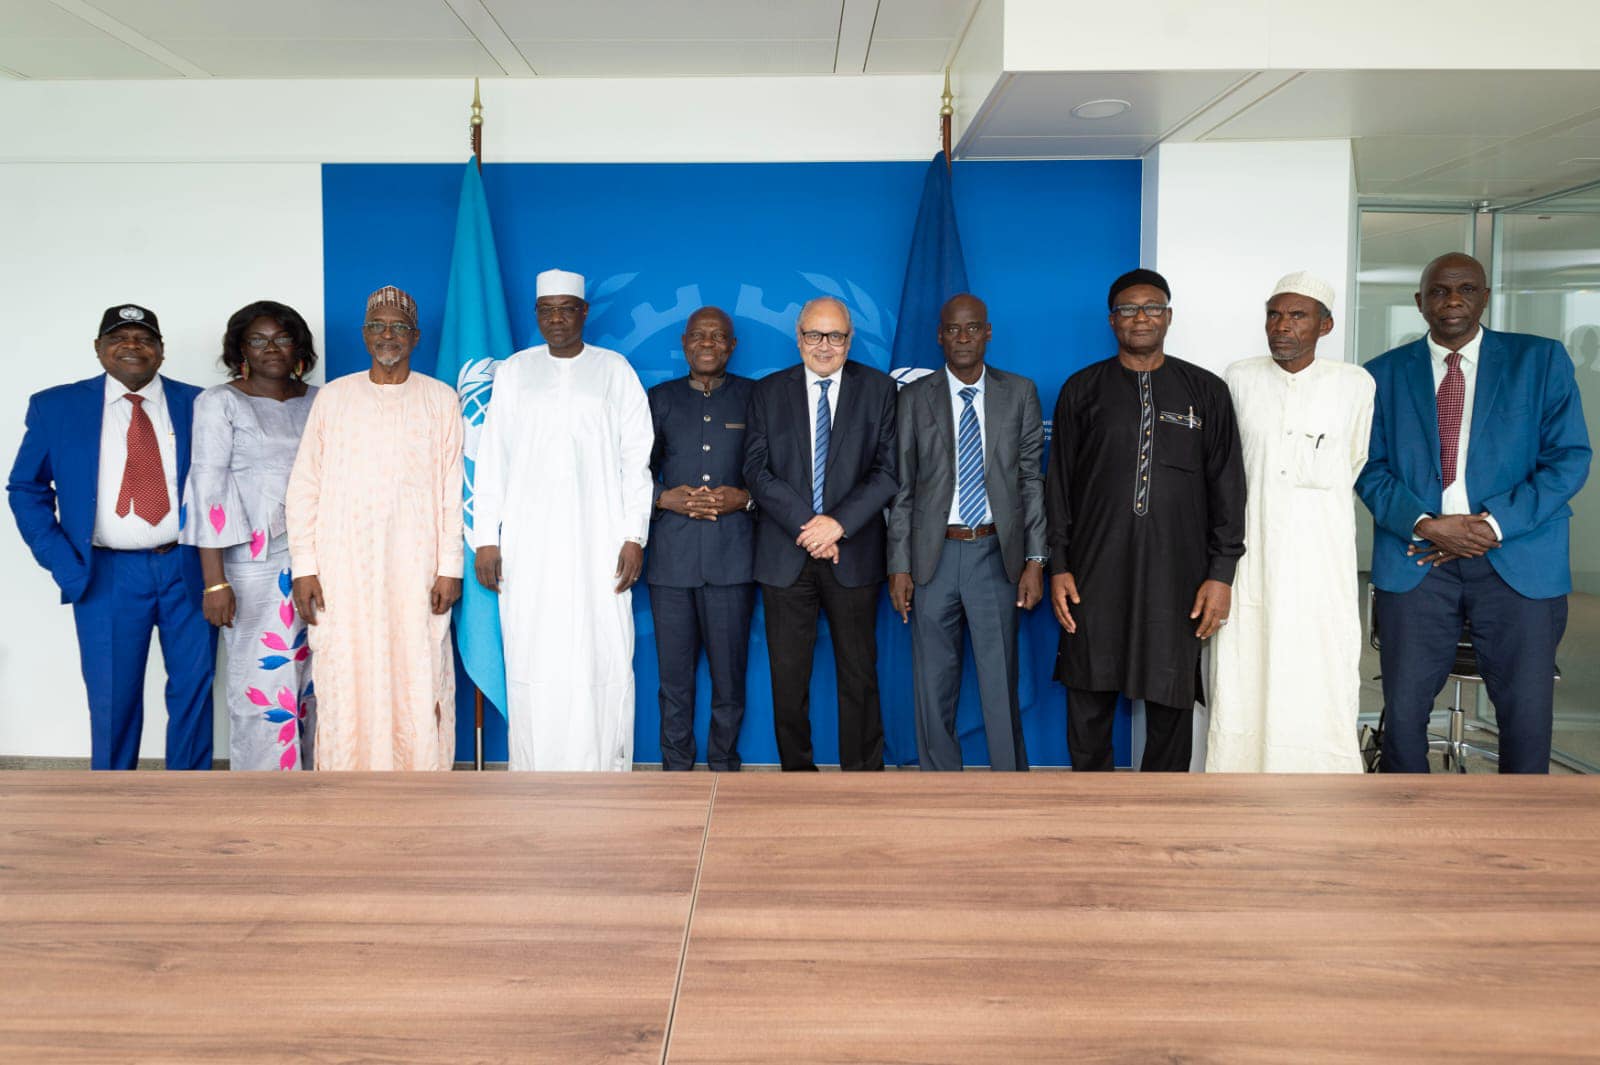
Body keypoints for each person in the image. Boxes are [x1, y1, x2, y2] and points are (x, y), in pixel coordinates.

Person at [1357, 252, 1590, 773]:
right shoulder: (1380, 375)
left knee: (1526, 713)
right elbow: (1368, 467)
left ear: (1485, 297)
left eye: (1466, 289)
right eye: (1439, 291)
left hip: (1518, 556)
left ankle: (1516, 831)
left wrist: (1492, 524)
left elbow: (1569, 458)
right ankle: (1404, 822)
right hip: (1418, 557)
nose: (1453, 300)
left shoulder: (1540, 361)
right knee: (1406, 709)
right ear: (1420, 303)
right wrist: (1426, 523)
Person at [1046, 269, 1245, 772]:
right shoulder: (1082, 389)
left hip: (1177, 575)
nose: (1141, 318)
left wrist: (1221, 575)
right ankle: (1091, 808)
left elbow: (1228, 488)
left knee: (1170, 696)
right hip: (1094, 571)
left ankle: (1164, 815)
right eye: (1129, 309)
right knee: (1088, 692)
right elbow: (1059, 487)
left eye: (1152, 308)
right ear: (1112, 320)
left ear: (1169, 317)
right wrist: (1059, 565)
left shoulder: (1206, 392)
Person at [8, 304, 215, 770]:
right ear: (98, 349)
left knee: (195, 690)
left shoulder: (201, 403)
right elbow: (25, 488)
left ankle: (191, 800)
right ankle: (112, 799)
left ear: (161, 352)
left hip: (187, 567)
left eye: (144, 339)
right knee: (112, 697)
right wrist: (64, 561)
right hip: (106, 574)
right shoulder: (56, 407)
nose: (132, 346)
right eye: (119, 338)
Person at [471, 269, 653, 771]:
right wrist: (487, 539)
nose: (556, 318)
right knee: (535, 653)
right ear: (537, 315)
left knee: (601, 652)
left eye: (565, 309)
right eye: (546, 309)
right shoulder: (514, 372)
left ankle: (604, 772)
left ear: (583, 313)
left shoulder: (614, 371)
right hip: (529, 547)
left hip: (601, 543)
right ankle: (533, 774)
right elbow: (493, 459)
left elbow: (635, 462)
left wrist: (633, 535)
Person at [284, 286, 463, 770]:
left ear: (416, 337)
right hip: (344, 569)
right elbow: (305, 488)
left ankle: (419, 785)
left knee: (417, 669)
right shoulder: (335, 398)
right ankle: (346, 786)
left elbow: (453, 491)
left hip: (416, 570)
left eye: (399, 327)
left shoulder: (440, 400)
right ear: (365, 335)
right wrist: (305, 567)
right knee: (346, 670)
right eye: (379, 326)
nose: (389, 335)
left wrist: (450, 567)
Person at [1205, 273, 1374, 772]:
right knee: (1244, 665)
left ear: (1326, 325)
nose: (1282, 326)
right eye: (1274, 314)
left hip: (1321, 556)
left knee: (1318, 662)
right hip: (1249, 553)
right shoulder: (1238, 377)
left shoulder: (1353, 384)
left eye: (1297, 316)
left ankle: (1322, 775)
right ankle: (1238, 773)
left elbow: (1356, 459)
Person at [886, 294, 1045, 771]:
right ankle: (940, 787)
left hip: (996, 555)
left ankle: (1008, 787)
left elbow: (1031, 481)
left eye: (972, 328)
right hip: (933, 557)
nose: (962, 338)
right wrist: (899, 565)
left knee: (999, 682)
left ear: (988, 332)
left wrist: (1036, 560)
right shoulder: (915, 398)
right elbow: (903, 488)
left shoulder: (1019, 393)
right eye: (953, 329)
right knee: (933, 685)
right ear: (939, 336)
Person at [744, 296, 898, 771]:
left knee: (860, 676)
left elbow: (889, 471)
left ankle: (862, 779)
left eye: (835, 336)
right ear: (799, 338)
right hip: (785, 557)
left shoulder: (879, 389)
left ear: (850, 340)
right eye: (815, 335)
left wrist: (839, 523)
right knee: (789, 680)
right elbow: (756, 469)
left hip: (852, 555)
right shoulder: (768, 392)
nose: (825, 346)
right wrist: (809, 527)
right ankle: (797, 776)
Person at [180, 301, 319, 771]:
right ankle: (267, 799)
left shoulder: (322, 400)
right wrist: (215, 582)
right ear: (240, 348)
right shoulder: (220, 403)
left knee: (318, 679)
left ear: (299, 345)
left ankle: (322, 790)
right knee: (263, 682)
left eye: (282, 338)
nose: (271, 348)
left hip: (320, 560)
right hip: (253, 567)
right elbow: (208, 490)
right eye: (258, 340)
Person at [646, 307, 755, 771]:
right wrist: (662, 498)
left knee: (730, 679)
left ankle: (724, 767)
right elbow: (628, 471)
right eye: (698, 335)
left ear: (732, 345)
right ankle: (676, 770)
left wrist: (745, 499)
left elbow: (777, 472)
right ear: (684, 342)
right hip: (671, 562)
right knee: (675, 679)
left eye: (718, 336)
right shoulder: (659, 399)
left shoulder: (756, 398)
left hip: (734, 561)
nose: (707, 343)